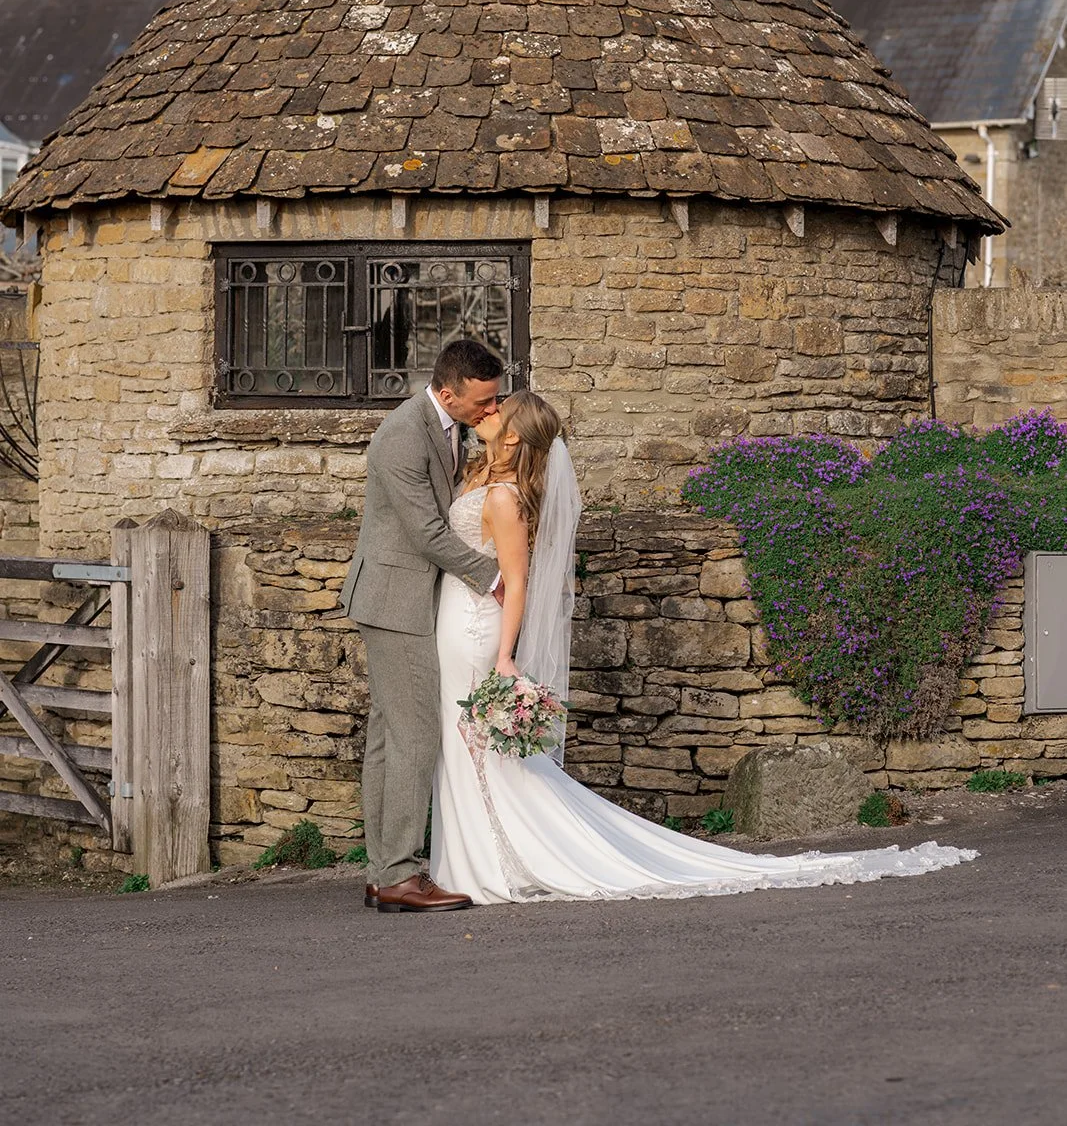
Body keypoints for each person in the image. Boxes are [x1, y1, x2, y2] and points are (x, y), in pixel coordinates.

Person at [431, 390, 978, 905]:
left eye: (501, 409)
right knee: (465, 744)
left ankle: (495, 860)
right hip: (454, 618)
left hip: (477, 629)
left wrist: (506, 656)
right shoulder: (483, 473)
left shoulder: (505, 497)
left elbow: (518, 581)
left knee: (475, 744)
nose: (490, 410)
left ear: (515, 437)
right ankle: (476, 856)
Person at [339, 338, 506, 913]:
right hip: (394, 600)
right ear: (446, 392)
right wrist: (493, 576)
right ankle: (402, 876)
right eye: (481, 403)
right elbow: (426, 534)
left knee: (389, 737)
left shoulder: (448, 424)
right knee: (415, 737)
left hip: (409, 597)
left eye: (495, 400)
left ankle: (384, 872)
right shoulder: (402, 436)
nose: (490, 411)